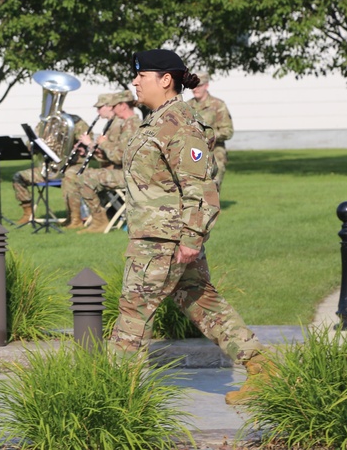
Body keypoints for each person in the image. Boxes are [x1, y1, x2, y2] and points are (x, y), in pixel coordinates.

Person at [110, 49, 270, 406]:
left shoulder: (180, 124)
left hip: (163, 240)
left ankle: (117, 396)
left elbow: (201, 188)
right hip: (160, 236)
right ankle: (264, 370)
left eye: (142, 76)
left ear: (165, 80)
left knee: (134, 313)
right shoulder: (157, 120)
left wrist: (191, 238)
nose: (135, 82)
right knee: (203, 303)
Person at [76, 90, 142, 233]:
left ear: (123, 105)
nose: (112, 109)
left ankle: (100, 221)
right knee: (86, 176)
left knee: (85, 178)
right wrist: (95, 150)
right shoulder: (128, 123)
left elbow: (120, 156)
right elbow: (116, 153)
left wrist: (104, 144)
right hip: (124, 172)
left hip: (130, 176)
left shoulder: (132, 125)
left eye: (114, 105)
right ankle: (101, 218)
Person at [13, 110, 88, 226]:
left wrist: (78, 146)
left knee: (70, 178)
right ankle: (28, 213)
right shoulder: (43, 124)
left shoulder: (75, 122)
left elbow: (87, 141)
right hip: (49, 168)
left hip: (71, 167)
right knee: (18, 177)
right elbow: (30, 146)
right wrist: (36, 144)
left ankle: (74, 218)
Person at [59, 93, 117, 229]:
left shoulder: (116, 125)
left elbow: (114, 154)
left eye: (100, 107)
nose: (97, 111)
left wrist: (89, 143)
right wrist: (85, 149)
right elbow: (103, 154)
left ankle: (96, 219)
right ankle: (74, 218)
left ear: (109, 107)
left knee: (74, 176)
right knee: (69, 175)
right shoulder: (109, 124)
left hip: (114, 171)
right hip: (106, 167)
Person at [188, 71, 234, 190]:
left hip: (214, 153)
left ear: (206, 85)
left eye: (198, 86)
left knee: (211, 192)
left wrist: (206, 135)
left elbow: (228, 131)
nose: (195, 89)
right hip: (191, 154)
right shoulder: (186, 106)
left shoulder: (218, 105)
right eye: (193, 86)